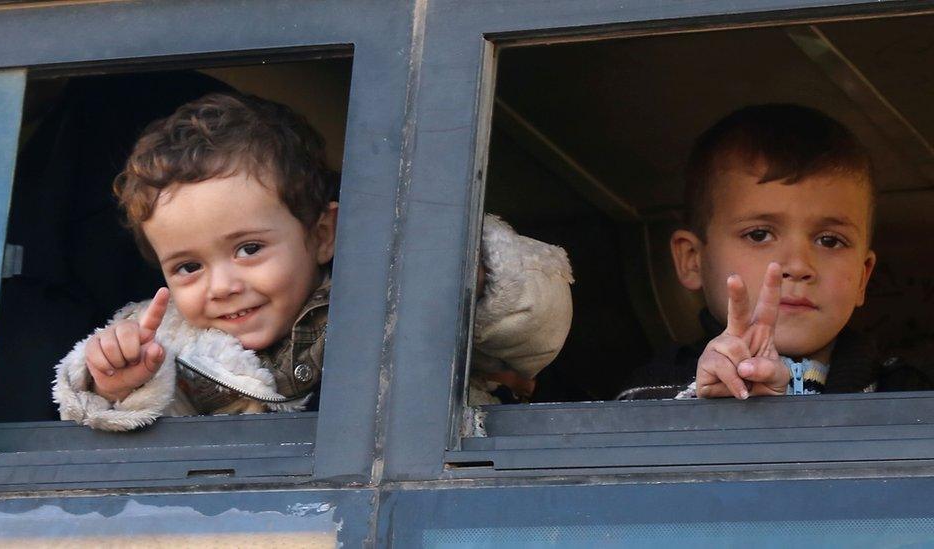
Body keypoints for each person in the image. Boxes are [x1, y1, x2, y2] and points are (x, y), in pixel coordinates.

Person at [53, 92, 574, 431]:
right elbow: (144, 446)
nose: (223, 284)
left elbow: (534, 330)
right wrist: (120, 388)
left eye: (249, 249)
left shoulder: (391, 288)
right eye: (188, 266)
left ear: (322, 235)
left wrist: (469, 272)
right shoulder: (163, 340)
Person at [625, 103, 933, 399]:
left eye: (830, 241)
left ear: (863, 277)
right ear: (693, 260)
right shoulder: (658, 389)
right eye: (759, 235)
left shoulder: (908, 394)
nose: (798, 266)